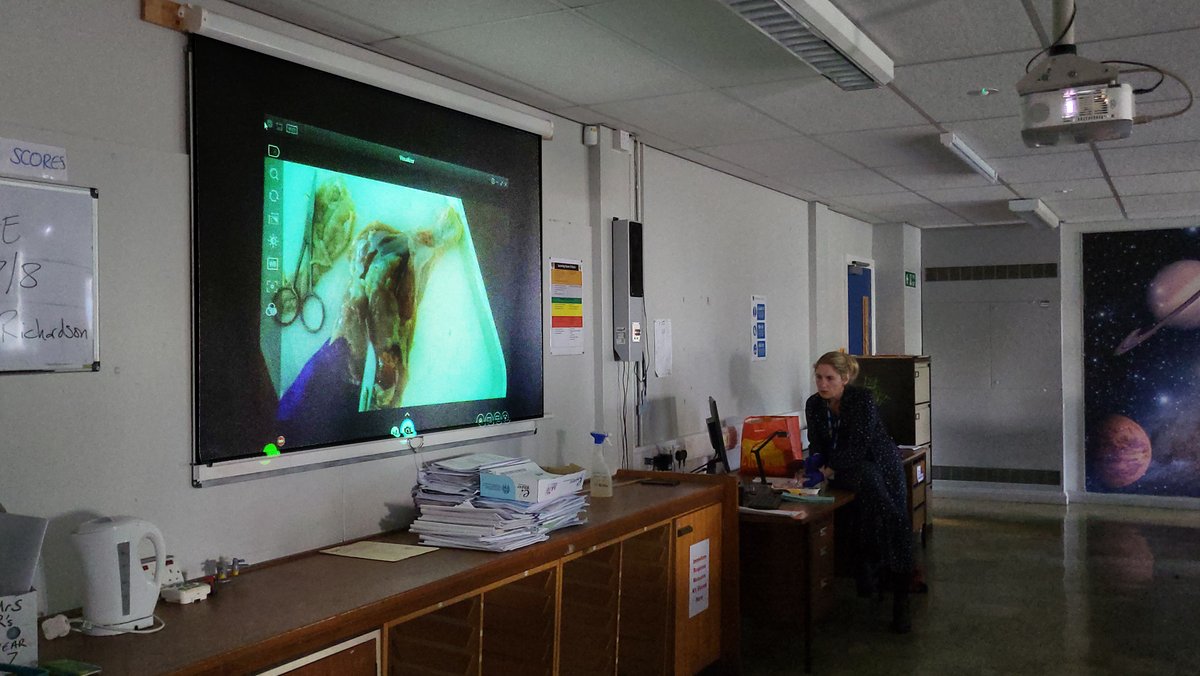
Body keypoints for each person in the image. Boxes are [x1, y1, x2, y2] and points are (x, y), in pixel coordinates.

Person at [805, 351, 914, 633]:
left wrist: (828, 471)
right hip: (849, 471)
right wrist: (815, 464)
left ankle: (901, 605)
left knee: (893, 522)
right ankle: (866, 576)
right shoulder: (814, 405)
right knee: (856, 523)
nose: (823, 384)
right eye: (818, 377)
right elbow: (817, 442)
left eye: (829, 378)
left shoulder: (861, 400)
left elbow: (858, 445)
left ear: (844, 378)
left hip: (879, 465)